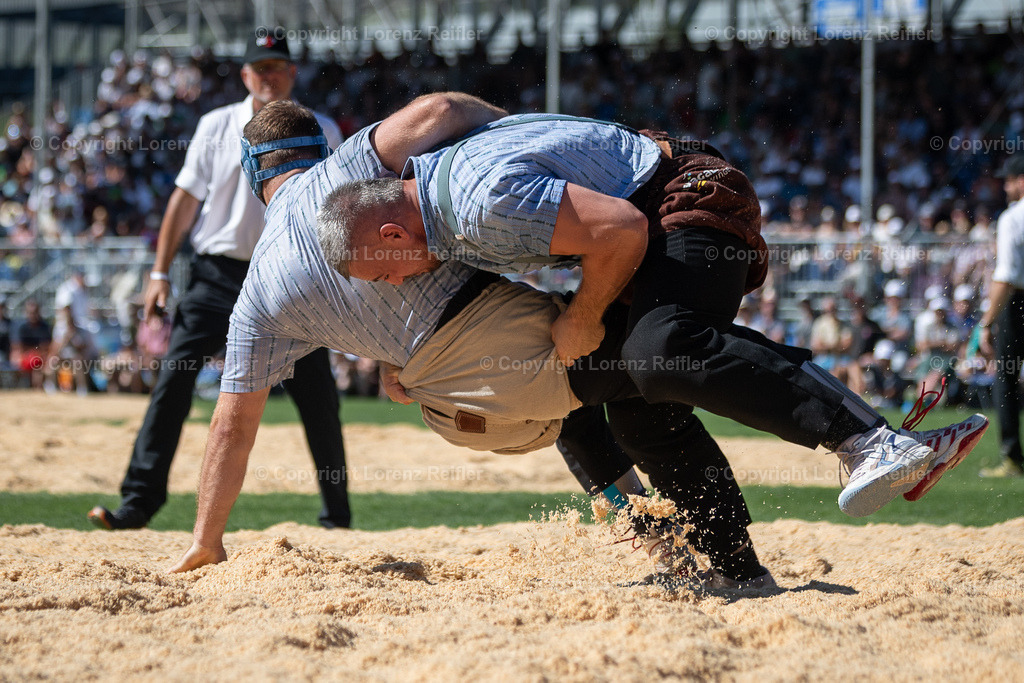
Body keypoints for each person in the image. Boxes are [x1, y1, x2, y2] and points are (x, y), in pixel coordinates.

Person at [169, 96, 768, 589]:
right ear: (317, 148)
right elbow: (443, 106)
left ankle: (657, 541)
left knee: (581, 414)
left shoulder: (257, 295)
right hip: (513, 330)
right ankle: (759, 510)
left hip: (466, 400)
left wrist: (206, 538)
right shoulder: (354, 173)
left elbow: (232, 424)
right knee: (648, 369)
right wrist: (516, 142)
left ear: (253, 177)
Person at [321, 112, 989, 519]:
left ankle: (872, 441)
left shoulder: (472, 201)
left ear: (389, 234)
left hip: (686, 193)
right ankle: (732, 566)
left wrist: (583, 315)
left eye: (385, 274)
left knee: (658, 347)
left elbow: (618, 229)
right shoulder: (431, 205)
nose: (393, 285)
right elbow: (451, 108)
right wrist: (391, 354)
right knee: (635, 395)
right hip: (645, 214)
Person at [87, 29, 351, 530]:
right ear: (245, 74)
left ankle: (336, 513)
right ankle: (139, 501)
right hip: (218, 273)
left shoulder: (323, 129)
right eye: (260, 67)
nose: (269, 75)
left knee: (318, 394)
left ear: (292, 73)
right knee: (173, 381)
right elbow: (184, 201)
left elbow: (338, 204)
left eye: (277, 66)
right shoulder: (215, 124)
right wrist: (159, 272)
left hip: (292, 274)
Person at [978, 154, 1024, 478]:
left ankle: (1012, 457)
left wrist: (986, 322)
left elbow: (1006, 276)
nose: (1005, 186)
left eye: (1009, 180)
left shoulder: (1012, 218)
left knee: (1006, 378)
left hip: (1017, 303)